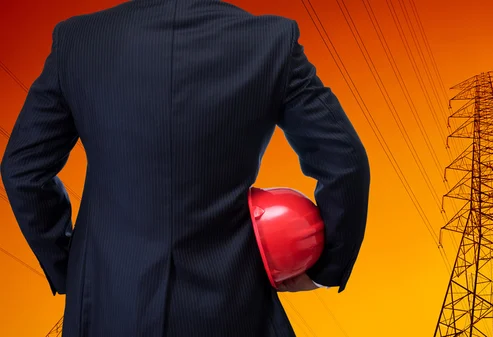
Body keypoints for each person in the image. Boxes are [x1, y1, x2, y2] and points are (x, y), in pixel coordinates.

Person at [0, 0, 370, 336]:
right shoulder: (271, 41)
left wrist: (74, 268)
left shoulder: (79, 41)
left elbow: (23, 171)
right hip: (233, 306)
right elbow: (346, 163)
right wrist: (325, 268)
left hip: (108, 307)